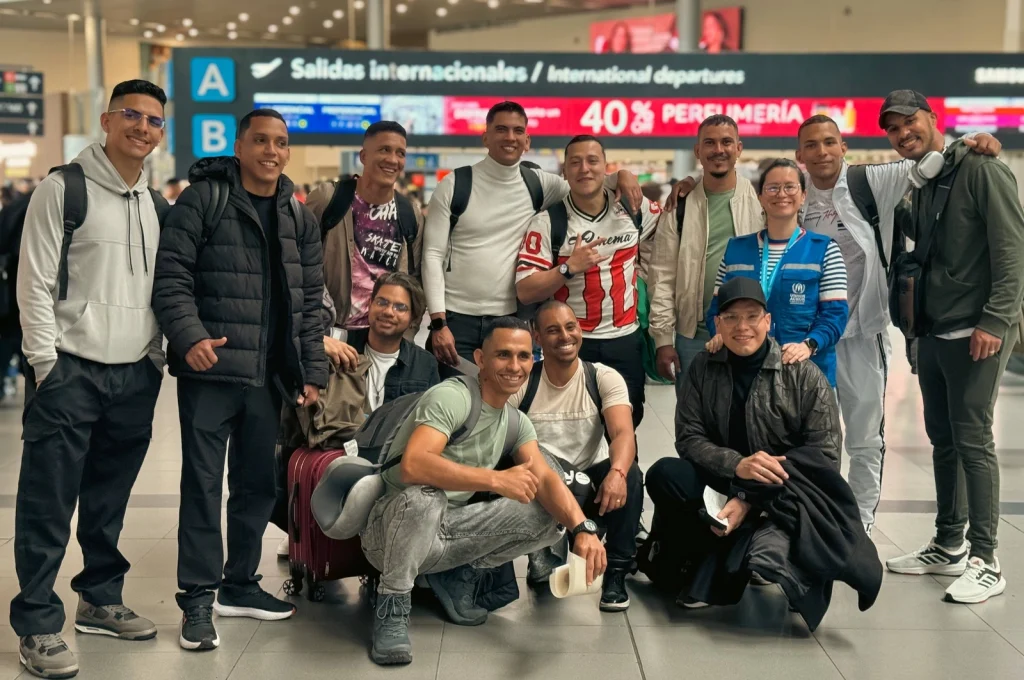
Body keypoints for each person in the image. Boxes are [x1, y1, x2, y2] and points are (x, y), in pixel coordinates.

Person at [152, 108, 328, 650]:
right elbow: (171, 277)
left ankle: (241, 584)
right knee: (203, 487)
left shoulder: (297, 216)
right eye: (260, 141)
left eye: (280, 142)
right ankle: (199, 600)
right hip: (212, 372)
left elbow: (310, 302)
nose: (271, 151)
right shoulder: (205, 199)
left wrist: (311, 369)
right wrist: (190, 337)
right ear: (240, 144)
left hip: (268, 377)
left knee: (257, 486)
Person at [11, 79, 169, 679]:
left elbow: (162, 292)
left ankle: (100, 598)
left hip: (134, 375)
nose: (143, 127)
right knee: (47, 503)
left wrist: (152, 357)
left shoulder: (156, 207)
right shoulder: (62, 188)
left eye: (154, 120)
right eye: (132, 115)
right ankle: (37, 623)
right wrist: (46, 363)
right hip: (69, 372)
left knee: (108, 502)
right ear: (107, 120)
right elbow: (33, 281)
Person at [795, 115, 1002, 533]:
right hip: (810, 339)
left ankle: (859, 525)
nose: (822, 152)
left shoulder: (870, 182)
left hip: (862, 333)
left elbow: (933, 160)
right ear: (799, 155)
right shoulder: (792, 195)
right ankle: (814, 521)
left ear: (844, 146)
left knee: (865, 438)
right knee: (811, 439)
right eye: (812, 145)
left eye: (829, 142)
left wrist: (972, 141)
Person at [361, 317, 607, 666]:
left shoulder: (515, 422)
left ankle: (457, 574)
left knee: (548, 515)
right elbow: (413, 466)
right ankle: (392, 606)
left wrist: (582, 530)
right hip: (390, 532)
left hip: (447, 532)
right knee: (423, 498)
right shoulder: (453, 396)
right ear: (480, 359)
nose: (515, 366)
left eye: (523, 356)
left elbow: (548, 479)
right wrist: (494, 480)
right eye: (503, 355)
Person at [646, 278, 876, 622]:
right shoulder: (703, 369)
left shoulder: (803, 375)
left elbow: (824, 457)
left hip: (784, 490)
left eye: (752, 317)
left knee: (769, 534)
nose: (742, 327)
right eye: (732, 318)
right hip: (727, 479)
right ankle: (723, 548)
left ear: (768, 322)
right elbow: (689, 438)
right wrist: (738, 465)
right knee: (665, 474)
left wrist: (749, 497)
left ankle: (763, 547)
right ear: (718, 324)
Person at [878, 90, 1024, 604]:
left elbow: (1012, 250)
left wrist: (997, 319)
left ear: (932, 118)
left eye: (909, 122)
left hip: (977, 330)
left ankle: (987, 559)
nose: (902, 135)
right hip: (936, 330)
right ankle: (948, 542)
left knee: (973, 437)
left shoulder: (981, 169)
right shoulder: (925, 183)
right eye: (893, 130)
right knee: (942, 437)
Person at [421, 100, 642, 367]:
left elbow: (585, 180)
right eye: (501, 129)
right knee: (455, 402)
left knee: (507, 402)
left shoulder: (539, 183)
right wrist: (437, 322)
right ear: (485, 137)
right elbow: (432, 255)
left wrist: (621, 175)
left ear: (527, 141)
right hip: (457, 319)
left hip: (513, 319)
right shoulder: (454, 185)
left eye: (517, 131)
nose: (510, 137)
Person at [270, 273, 441, 553]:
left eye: (400, 307)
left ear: (413, 319)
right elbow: (286, 345)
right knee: (278, 475)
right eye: (382, 302)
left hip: (389, 459)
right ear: (369, 305)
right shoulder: (342, 343)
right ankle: (307, 533)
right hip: (336, 447)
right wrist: (320, 344)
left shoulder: (424, 364)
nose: (388, 311)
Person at [515, 135, 659, 426]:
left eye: (593, 161)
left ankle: (622, 472)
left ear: (606, 167)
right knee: (573, 425)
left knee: (627, 421)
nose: (584, 169)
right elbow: (525, 290)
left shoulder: (635, 208)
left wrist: (687, 186)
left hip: (624, 340)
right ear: (564, 171)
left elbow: (678, 215)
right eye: (575, 162)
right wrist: (568, 268)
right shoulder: (548, 222)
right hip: (572, 343)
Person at [509, 301, 642, 611]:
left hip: (594, 487)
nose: (564, 336)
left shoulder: (602, 377)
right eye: (552, 330)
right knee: (545, 578)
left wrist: (618, 474)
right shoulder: (524, 382)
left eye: (570, 327)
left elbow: (623, 434)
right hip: (544, 486)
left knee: (631, 473)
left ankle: (617, 573)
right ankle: (542, 551)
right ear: (537, 337)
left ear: (580, 330)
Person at [705, 159, 849, 388]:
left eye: (790, 187)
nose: (781, 194)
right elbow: (716, 308)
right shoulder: (736, 249)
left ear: (803, 195)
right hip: (746, 372)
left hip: (805, 373)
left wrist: (808, 345)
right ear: (761, 197)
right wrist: (720, 333)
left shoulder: (824, 249)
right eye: (772, 188)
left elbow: (835, 315)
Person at [648, 114, 762, 385]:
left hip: (750, 331)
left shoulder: (761, 202)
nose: (719, 150)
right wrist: (663, 339)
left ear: (739, 148)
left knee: (748, 420)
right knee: (693, 420)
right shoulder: (680, 206)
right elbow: (662, 276)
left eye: (726, 142)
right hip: (693, 335)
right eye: (709, 143)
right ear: (698, 151)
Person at [307, 121, 423, 336]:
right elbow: (298, 263)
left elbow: (415, 281)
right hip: (332, 335)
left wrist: (406, 337)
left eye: (400, 153)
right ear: (363, 156)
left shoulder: (410, 213)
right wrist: (314, 333)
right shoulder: (329, 199)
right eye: (384, 150)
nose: (392, 159)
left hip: (385, 339)